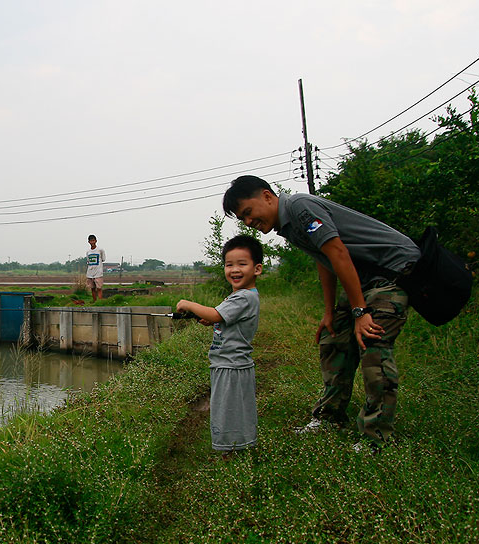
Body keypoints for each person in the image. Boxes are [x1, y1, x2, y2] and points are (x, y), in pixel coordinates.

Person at [222, 175, 420, 453]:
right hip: (365, 279)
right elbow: (325, 261)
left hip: (392, 272)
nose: (248, 223)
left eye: (248, 213)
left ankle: (376, 437)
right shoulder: (288, 225)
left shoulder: (300, 208)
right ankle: (329, 418)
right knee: (333, 338)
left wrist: (360, 311)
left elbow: (338, 252)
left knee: (373, 343)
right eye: (242, 219)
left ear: (267, 196)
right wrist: (330, 313)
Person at [176, 235, 262, 456]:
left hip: (231, 366)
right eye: (229, 264)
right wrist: (208, 318)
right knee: (232, 409)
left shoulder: (243, 297)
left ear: (257, 269)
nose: (234, 269)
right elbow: (219, 317)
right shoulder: (241, 295)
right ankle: (237, 448)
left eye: (242, 264)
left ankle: (231, 452)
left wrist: (188, 304)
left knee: (228, 411)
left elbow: (216, 314)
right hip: (229, 364)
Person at [85, 234, 105, 301]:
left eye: (93, 240)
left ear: (96, 241)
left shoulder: (100, 250)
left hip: (98, 272)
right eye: (91, 241)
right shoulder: (88, 252)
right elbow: (88, 261)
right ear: (89, 242)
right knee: (92, 288)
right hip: (90, 272)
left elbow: (103, 259)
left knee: (99, 288)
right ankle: (94, 301)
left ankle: (100, 301)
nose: (92, 242)